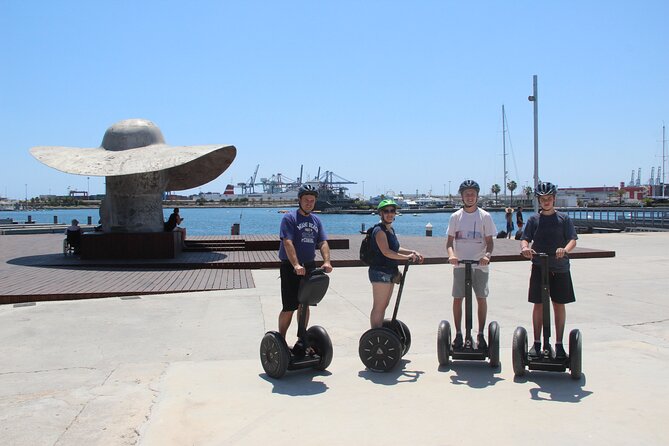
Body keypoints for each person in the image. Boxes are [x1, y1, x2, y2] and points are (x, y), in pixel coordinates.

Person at [520, 181, 578, 359]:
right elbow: (525, 238)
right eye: (543, 199)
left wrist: (565, 250)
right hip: (539, 266)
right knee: (538, 304)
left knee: (558, 305)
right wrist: (525, 248)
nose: (546, 202)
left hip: (559, 268)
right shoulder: (533, 220)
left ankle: (559, 345)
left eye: (549, 198)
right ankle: (537, 344)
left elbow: (572, 239)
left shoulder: (563, 219)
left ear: (554, 199)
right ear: (539, 200)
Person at [278, 185, 333, 353]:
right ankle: (281, 340)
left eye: (312, 200)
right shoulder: (289, 218)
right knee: (290, 306)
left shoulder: (316, 220)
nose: (309, 203)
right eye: (306, 200)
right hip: (290, 266)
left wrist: (327, 261)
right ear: (299, 201)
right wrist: (295, 264)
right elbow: (288, 242)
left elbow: (322, 242)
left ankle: (302, 338)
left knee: (305, 304)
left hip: (308, 266)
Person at [446, 180, 497, 350]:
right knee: (457, 298)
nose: (470, 197)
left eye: (472, 194)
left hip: (479, 265)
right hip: (460, 265)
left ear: (477, 196)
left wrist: (487, 256)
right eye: (467, 194)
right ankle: (459, 334)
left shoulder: (485, 216)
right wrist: (452, 255)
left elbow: (489, 242)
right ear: (462, 196)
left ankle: (481, 334)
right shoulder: (455, 217)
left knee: (481, 298)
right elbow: (449, 242)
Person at [367, 199, 424, 328]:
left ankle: (380, 333)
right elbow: (386, 252)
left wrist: (411, 251)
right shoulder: (379, 231)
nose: (390, 214)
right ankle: (376, 335)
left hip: (389, 271)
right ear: (380, 213)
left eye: (392, 211)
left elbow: (395, 248)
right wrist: (406, 257)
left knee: (384, 305)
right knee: (379, 307)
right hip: (380, 272)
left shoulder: (390, 230)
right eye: (386, 211)